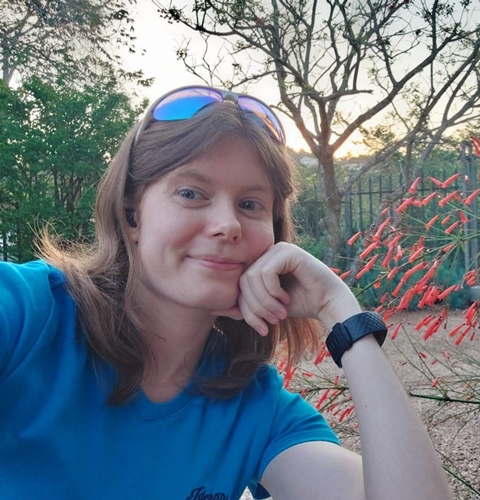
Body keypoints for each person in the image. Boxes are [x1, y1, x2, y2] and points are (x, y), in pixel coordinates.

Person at [0, 85, 452, 500]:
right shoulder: (27, 315)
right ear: (132, 214)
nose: (227, 225)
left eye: (250, 204)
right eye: (191, 193)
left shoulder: (255, 409)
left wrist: (342, 313)